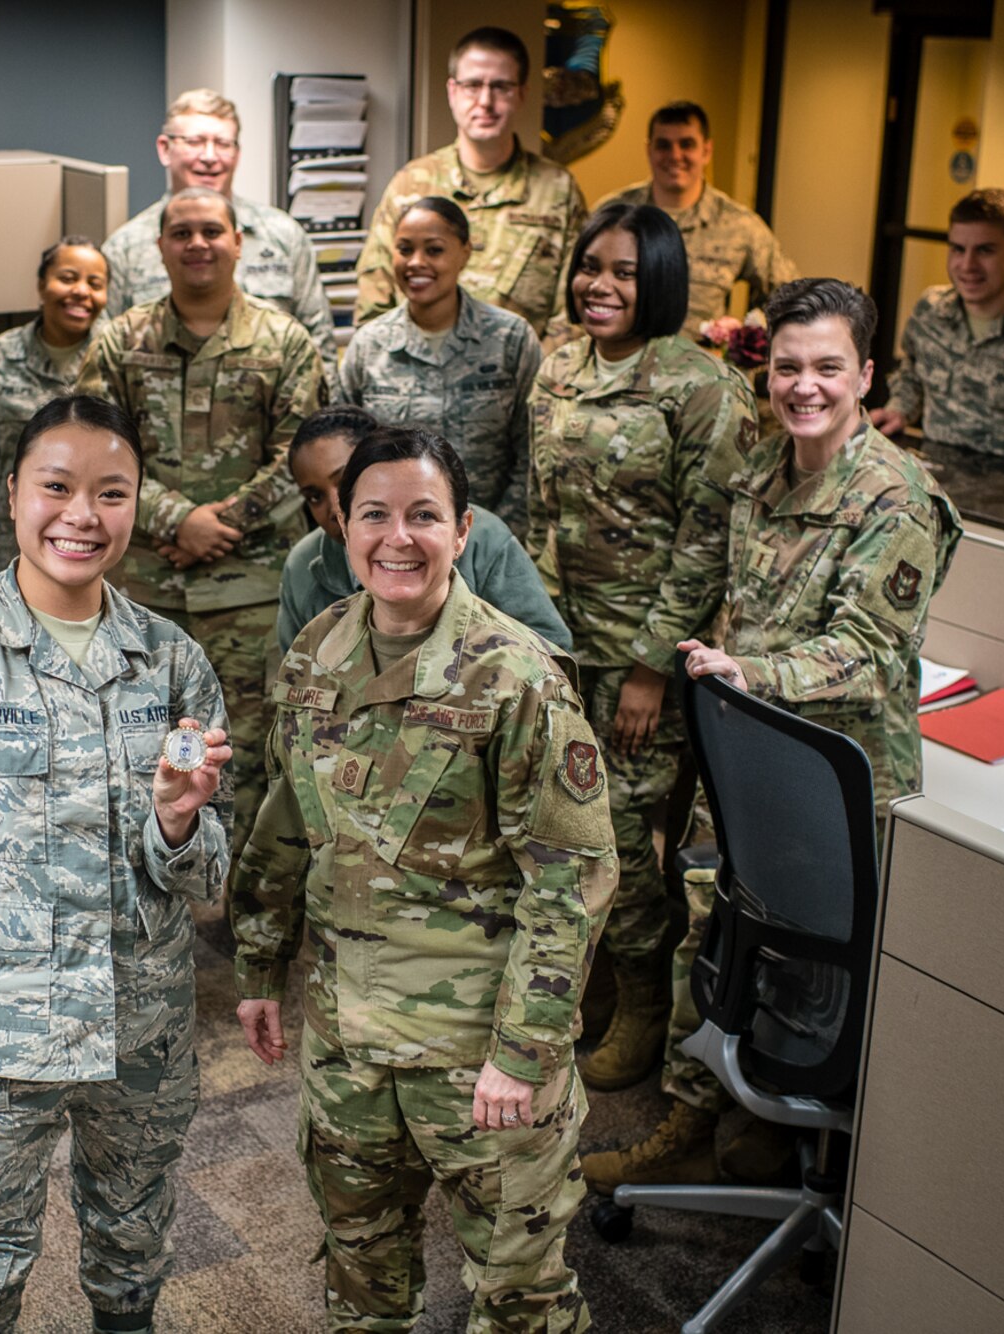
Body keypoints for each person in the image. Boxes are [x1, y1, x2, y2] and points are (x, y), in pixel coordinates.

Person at [0, 394, 232, 1334]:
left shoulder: (171, 662)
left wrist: (179, 826)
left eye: (112, 493)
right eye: (56, 488)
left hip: (142, 1031)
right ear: (11, 493)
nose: (82, 516)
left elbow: (212, 877)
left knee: (135, 1256)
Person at [232, 427, 618, 1333]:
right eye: (374, 514)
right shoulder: (317, 652)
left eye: (423, 516)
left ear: (464, 528)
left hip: (477, 1056)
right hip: (347, 1044)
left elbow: (573, 883)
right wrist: (257, 965)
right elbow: (284, 822)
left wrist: (523, 1053)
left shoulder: (517, 677)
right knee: (361, 1280)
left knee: (518, 1300)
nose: (396, 538)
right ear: (341, 522)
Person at [585, 277, 961, 1194]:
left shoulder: (897, 498)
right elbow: (713, 577)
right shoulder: (760, 472)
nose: (805, 386)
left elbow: (869, 653)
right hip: (749, 766)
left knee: (808, 972)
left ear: (865, 374)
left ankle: (803, 1158)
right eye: (788, 367)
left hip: (836, 788)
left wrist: (754, 675)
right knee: (713, 942)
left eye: (828, 367)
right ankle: (696, 1114)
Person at [527, 201, 757, 1095]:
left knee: (618, 839)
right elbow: (542, 512)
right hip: (562, 646)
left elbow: (708, 539)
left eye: (624, 271)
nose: (600, 285)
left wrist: (649, 667)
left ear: (657, 278)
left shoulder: (698, 385)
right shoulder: (557, 370)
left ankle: (643, 1009)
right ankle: (582, 984)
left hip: (643, 664)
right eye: (591, 266)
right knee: (555, 825)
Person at [76, 186, 323, 855]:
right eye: (181, 232)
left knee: (247, 753)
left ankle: (240, 906)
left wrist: (221, 524)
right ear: (160, 248)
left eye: (211, 230)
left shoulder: (286, 343)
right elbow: (98, 451)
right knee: (152, 745)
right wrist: (176, 519)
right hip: (147, 596)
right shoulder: (121, 343)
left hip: (249, 596)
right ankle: (154, 883)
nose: (197, 244)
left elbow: (300, 458)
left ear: (239, 241)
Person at [275, 405, 570, 653]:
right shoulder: (302, 566)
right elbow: (297, 677)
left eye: (345, 481)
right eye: (315, 496)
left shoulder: (485, 540)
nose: (334, 505)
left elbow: (550, 650)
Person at [356, 27, 587, 335]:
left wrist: (535, 379)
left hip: (525, 378)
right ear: (452, 91)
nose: (485, 101)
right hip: (418, 374)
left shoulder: (557, 190)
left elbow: (573, 318)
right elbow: (374, 308)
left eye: (501, 86)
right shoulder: (410, 186)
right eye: (473, 85)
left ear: (521, 94)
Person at [102, 87, 337, 386]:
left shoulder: (283, 236)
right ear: (164, 149)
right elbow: (104, 355)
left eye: (223, 143)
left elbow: (320, 349)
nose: (210, 157)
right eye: (195, 142)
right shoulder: (126, 247)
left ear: (237, 154)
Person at [340, 196, 542, 533]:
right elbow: (345, 458)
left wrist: (492, 538)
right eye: (404, 249)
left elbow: (532, 455)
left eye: (434, 250)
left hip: (494, 542)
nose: (416, 262)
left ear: (464, 252)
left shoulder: (510, 339)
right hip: (396, 545)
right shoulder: (369, 345)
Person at [871, 188, 1004, 458]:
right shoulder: (931, 310)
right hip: (935, 478)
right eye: (957, 249)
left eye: (985, 250)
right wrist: (899, 409)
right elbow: (912, 372)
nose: (967, 265)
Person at [594, 101, 799, 336]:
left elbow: (791, 297)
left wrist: (748, 337)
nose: (675, 155)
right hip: (622, 366)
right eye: (663, 145)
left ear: (706, 151)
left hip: (700, 367)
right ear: (649, 150)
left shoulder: (738, 224)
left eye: (687, 144)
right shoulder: (613, 215)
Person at [0, 236, 109, 575]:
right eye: (67, 278)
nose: (81, 291)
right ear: (41, 286)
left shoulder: (119, 355)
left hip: (101, 545)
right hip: (17, 549)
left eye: (95, 284)